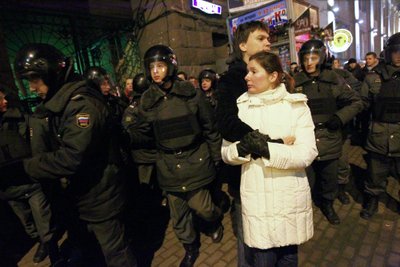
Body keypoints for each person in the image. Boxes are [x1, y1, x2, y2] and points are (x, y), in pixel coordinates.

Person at [14, 43, 137, 267]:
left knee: (116, 253)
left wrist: (25, 168)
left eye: (35, 80)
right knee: (90, 251)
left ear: (50, 74)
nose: (32, 88)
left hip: (101, 196)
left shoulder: (82, 105)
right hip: (82, 195)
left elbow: (72, 157)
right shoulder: (60, 102)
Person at [221, 51, 317, 266]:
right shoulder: (241, 108)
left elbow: (306, 153)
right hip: (258, 202)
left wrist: (266, 149)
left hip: (290, 200)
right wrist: (244, 147)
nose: (247, 77)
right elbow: (226, 152)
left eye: (254, 72)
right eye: (247, 71)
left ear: (273, 76)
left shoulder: (296, 106)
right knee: (262, 259)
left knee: (289, 258)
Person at [131, 44, 223, 267]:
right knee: (178, 217)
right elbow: (142, 136)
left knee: (204, 208)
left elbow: (210, 127)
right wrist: (137, 125)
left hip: (195, 160)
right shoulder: (146, 101)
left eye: (160, 66)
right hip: (168, 167)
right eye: (151, 67)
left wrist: (216, 157)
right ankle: (190, 247)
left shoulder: (191, 94)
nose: (155, 72)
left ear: (170, 67)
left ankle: (213, 223)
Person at [216, 20, 271, 267]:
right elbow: (227, 122)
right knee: (248, 235)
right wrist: (265, 140)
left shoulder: (276, 77)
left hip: (275, 167)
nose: (268, 42)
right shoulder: (231, 81)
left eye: (268, 38)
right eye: (261, 38)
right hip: (245, 170)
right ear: (242, 45)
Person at [293, 39, 363, 225]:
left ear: (322, 58)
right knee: (307, 178)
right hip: (305, 139)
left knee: (329, 177)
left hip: (330, 137)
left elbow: (356, 102)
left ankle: (328, 204)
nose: (309, 62)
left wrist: (340, 117)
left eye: (313, 58)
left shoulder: (334, 80)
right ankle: (307, 206)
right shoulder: (295, 82)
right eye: (306, 58)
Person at [0, 87, 57, 265]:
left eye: (4, 98)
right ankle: (41, 240)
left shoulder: (19, 120)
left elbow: (35, 145)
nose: (5, 101)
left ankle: (52, 249)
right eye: (0, 99)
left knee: (43, 223)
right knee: (28, 224)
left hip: (30, 181)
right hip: (9, 186)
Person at [359, 32, 400, 219]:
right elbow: (361, 103)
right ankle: (372, 201)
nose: (399, 55)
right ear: (388, 53)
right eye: (396, 51)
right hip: (379, 135)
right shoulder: (373, 77)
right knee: (375, 174)